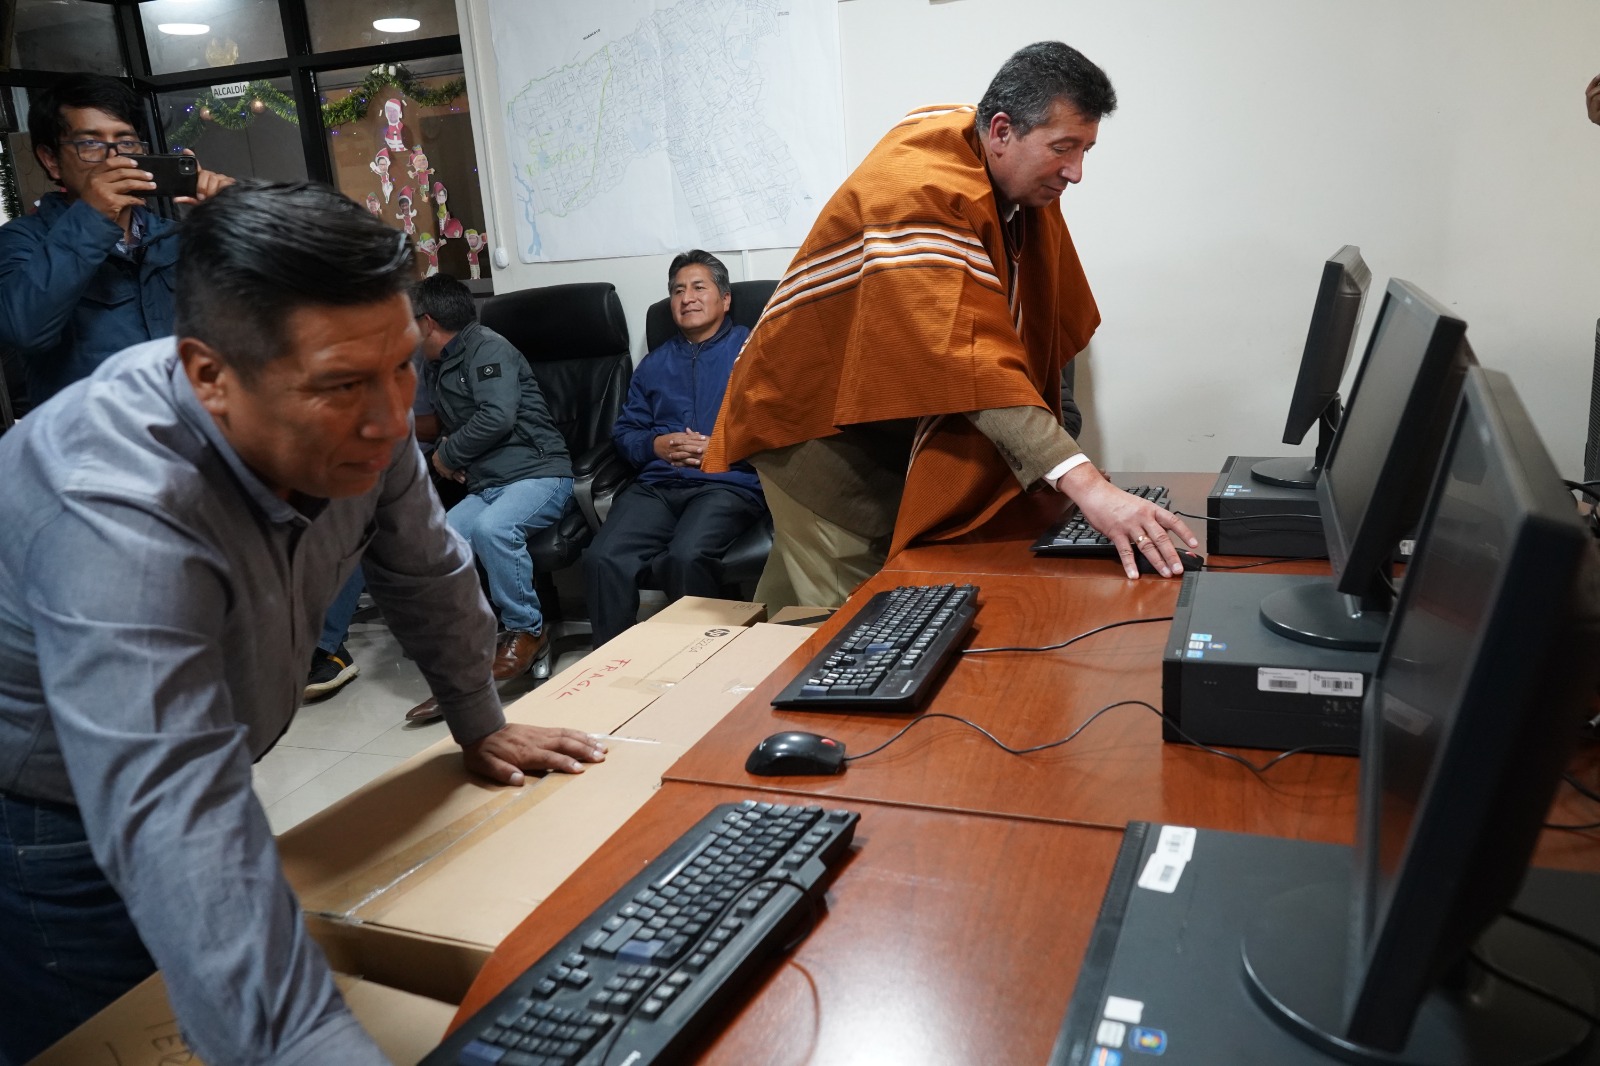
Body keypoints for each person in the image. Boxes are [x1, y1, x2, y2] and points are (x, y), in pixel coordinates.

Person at [0, 182, 606, 1066]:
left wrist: (481, 718)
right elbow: (176, 818)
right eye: (343, 385)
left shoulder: (371, 407)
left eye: (404, 365)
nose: (392, 417)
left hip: (182, 763)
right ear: (210, 375)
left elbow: (425, 568)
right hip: (51, 812)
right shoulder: (113, 507)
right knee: (105, 1036)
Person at [702, 41, 1198, 608]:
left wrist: (1074, 472)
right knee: (850, 630)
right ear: (1003, 131)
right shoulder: (917, 190)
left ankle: (734, 677)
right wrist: (1087, 486)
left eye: (1085, 150)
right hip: (819, 435)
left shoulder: (1000, 169)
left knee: (788, 615)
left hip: (878, 423)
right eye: (1063, 149)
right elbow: (967, 354)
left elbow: (1031, 323)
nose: (1076, 172)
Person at [0, 73, 231, 411]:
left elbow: (259, 317)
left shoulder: (175, 236)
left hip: (190, 437)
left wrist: (238, 221)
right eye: (90, 143)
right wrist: (94, 216)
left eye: (126, 142)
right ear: (52, 160)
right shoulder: (22, 240)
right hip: (90, 450)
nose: (115, 159)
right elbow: (24, 329)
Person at [584, 251, 768, 645]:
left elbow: (777, 423)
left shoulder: (753, 351)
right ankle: (614, 663)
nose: (687, 298)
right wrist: (656, 445)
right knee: (603, 557)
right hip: (658, 486)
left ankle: (707, 659)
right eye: (678, 290)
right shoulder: (654, 363)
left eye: (699, 287)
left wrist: (721, 446)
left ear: (725, 298)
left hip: (726, 482)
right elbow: (627, 432)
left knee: (684, 557)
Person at [411, 272, 574, 683]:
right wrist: (450, 451)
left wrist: (446, 455)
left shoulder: (488, 348)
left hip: (539, 473)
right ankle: (475, 639)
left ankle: (528, 630)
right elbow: (459, 422)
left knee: (491, 530)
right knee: (442, 540)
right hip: (489, 483)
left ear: (427, 322)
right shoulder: (439, 363)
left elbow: (496, 418)